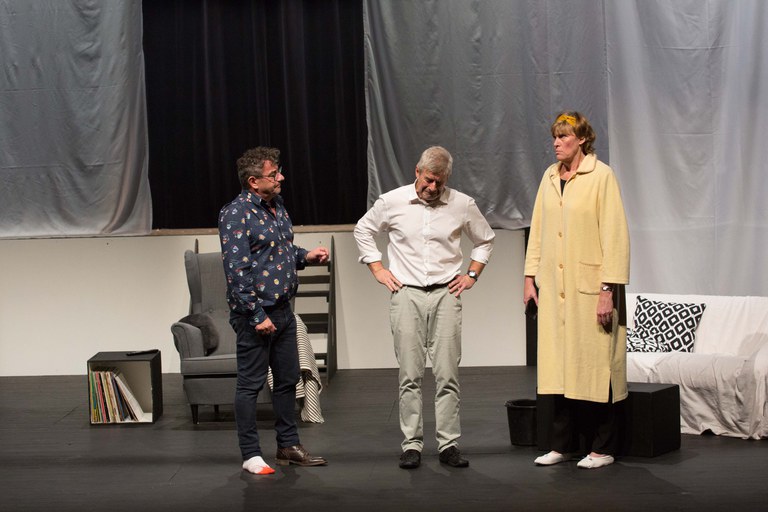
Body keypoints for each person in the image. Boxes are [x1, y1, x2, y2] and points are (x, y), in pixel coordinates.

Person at [354, 146, 495, 469]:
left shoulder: (461, 204)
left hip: (446, 293)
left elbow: (485, 239)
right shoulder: (392, 202)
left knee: (447, 373)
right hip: (406, 293)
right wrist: (377, 268)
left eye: (439, 183)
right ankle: (412, 444)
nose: (432, 188)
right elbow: (363, 230)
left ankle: (448, 444)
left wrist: (472, 275)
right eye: (428, 180)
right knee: (410, 374)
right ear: (417, 172)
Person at [523, 111, 630, 469]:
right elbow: (538, 229)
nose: (556, 143)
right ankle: (562, 445)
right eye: (554, 137)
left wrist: (607, 290)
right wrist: (529, 277)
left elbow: (615, 235)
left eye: (564, 137)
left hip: (590, 289)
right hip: (555, 288)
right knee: (559, 367)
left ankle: (602, 447)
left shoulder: (602, 176)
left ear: (582, 139)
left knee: (596, 366)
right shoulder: (550, 177)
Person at [219, 146, 329, 475]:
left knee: (287, 381)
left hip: (283, 310)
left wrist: (305, 256)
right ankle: (251, 453)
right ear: (253, 181)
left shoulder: (276, 206)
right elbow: (237, 271)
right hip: (255, 315)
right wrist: (257, 315)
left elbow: (280, 250)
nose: (281, 177)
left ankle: (288, 446)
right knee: (250, 385)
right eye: (273, 174)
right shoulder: (235, 214)